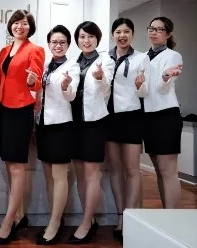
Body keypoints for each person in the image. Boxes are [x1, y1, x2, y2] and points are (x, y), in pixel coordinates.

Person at [0, 9, 45, 245]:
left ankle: (8, 221)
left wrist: (33, 80)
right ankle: (20, 215)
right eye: (16, 22)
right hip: (3, 109)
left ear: (30, 27)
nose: (19, 26)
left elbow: (36, 79)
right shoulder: (4, 51)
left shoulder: (35, 50)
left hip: (21, 110)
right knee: (8, 163)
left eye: (24, 23)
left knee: (16, 166)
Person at [68, 21, 114, 244]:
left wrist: (100, 77)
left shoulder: (106, 61)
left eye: (90, 36)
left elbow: (106, 88)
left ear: (98, 38)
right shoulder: (73, 62)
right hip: (74, 122)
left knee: (92, 174)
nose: (86, 41)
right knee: (79, 174)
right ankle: (91, 219)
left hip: (94, 122)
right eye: (82, 36)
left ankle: (86, 223)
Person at [35, 25, 80, 245]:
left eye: (62, 42)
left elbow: (71, 96)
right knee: (48, 175)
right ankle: (55, 219)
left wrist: (65, 86)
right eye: (54, 42)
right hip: (43, 124)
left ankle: (54, 224)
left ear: (68, 45)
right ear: (49, 44)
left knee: (59, 175)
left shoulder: (73, 66)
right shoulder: (45, 66)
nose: (58, 45)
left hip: (62, 125)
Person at [105, 18, 149, 241]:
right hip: (109, 117)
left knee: (132, 170)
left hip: (131, 117)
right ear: (112, 34)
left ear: (132, 34)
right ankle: (121, 216)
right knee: (114, 169)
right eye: (118, 32)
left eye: (126, 31)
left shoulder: (142, 58)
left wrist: (141, 86)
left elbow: (145, 92)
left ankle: (132, 218)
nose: (122, 35)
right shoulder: (105, 58)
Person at [143, 17, 183, 209]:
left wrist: (166, 76)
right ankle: (165, 214)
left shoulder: (173, 56)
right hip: (148, 117)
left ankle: (172, 217)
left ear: (168, 34)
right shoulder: (143, 57)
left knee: (168, 171)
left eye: (159, 29)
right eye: (151, 28)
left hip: (166, 115)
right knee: (158, 170)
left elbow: (161, 87)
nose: (154, 32)